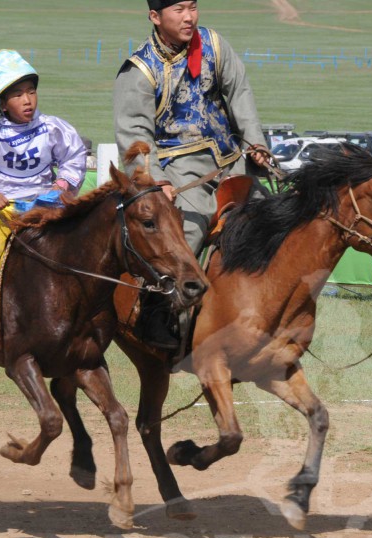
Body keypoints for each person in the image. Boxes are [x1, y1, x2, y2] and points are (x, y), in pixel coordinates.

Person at [113, 0, 270, 349]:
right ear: (155, 17)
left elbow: (239, 93)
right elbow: (135, 134)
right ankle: (158, 314)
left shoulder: (213, 44)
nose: (189, 17)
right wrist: (156, 183)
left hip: (232, 158)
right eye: (178, 10)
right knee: (187, 235)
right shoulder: (139, 70)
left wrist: (256, 143)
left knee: (275, 221)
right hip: (179, 168)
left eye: (193, 7)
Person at [0, 49, 86, 348]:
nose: (27, 100)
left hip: (45, 205)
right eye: (18, 95)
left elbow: (75, 155)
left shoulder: (53, 128)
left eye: (32, 91)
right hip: (4, 208)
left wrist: (62, 183)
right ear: (2, 102)